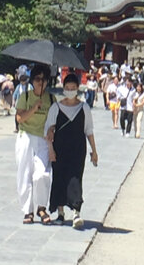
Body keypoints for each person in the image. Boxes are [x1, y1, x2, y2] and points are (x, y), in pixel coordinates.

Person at [45, 73, 99, 229]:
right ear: (63, 89)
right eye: (67, 88)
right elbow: (48, 130)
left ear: (78, 89)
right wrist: (50, 150)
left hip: (77, 148)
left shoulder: (84, 108)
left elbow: (89, 130)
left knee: (75, 178)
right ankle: (60, 213)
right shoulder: (56, 107)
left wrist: (94, 151)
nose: (70, 90)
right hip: (59, 148)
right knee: (59, 178)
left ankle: (76, 212)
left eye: (73, 88)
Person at [14, 65, 54, 225]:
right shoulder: (25, 96)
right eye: (37, 79)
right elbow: (19, 118)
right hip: (26, 137)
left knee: (42, 174)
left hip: (43, 138)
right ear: (33, 80)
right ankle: (27, 210)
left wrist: (52, 130)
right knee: (24, 173)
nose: (40, 82)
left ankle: (42, 206)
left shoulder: (51, 99)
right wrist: (34, 108)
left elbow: (53, 120)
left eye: (43, 79)